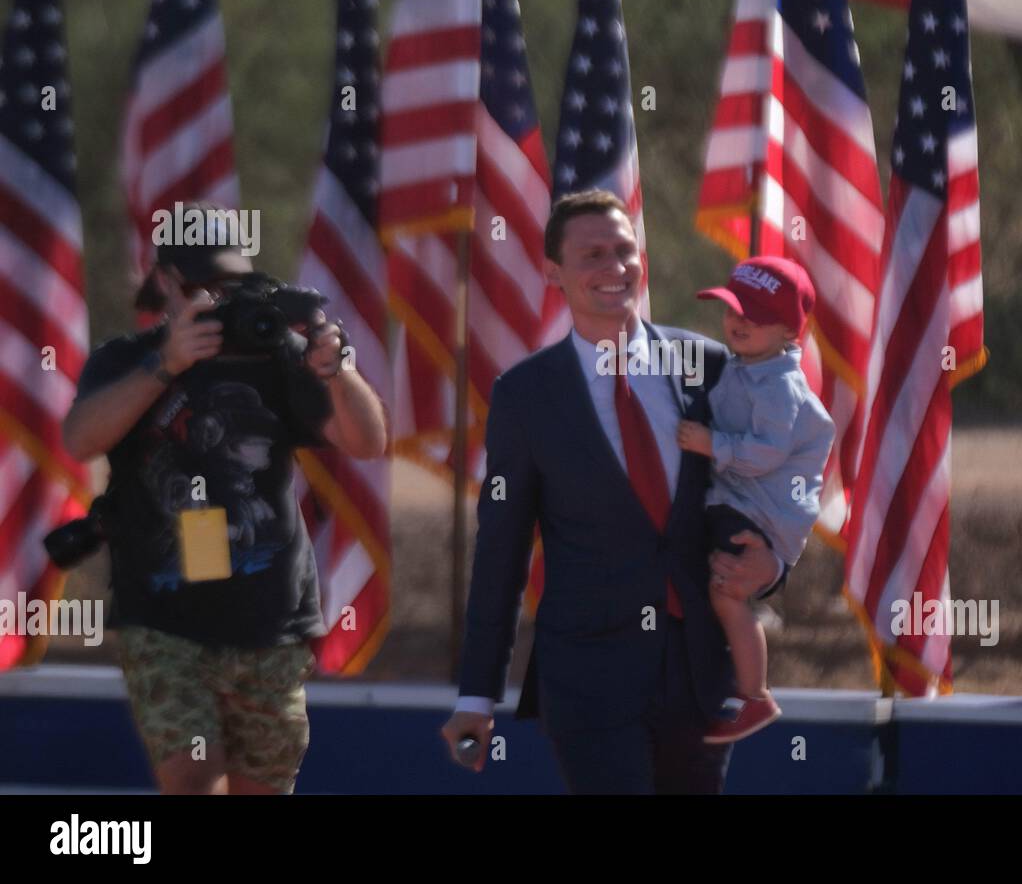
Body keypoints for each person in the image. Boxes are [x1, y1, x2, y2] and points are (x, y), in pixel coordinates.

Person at [439, 190, 788, 794]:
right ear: (554, 273)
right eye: (591, 254)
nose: (613, 267)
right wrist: (476, 695)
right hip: (589, 681)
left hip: (700, 673)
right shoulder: (525, 397)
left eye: (624, 250)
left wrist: (772, 563)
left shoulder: (706, 366)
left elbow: (758, 497)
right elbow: (501, 548)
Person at [62, 207, 388, 794]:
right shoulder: (124, 359)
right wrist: (166, 366)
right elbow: (81, 438)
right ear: (162, 281)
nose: (215, 298)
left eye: (229, 286)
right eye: (197, 286)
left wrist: (336, 372)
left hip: (270, 621)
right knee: (191, 777)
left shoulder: (279, 361)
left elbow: (367, 442)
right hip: (164, 621)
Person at [677, 256, 835, 743]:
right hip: (743, 502)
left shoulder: (780, 385)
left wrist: (711, 445)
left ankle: (755, 694)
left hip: (760, 513)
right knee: (719, 589)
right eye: (731, 310)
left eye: (755, 315)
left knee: (727, 591)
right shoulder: (747, 368)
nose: (737, 322)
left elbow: (765, 454)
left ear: (790, 330)